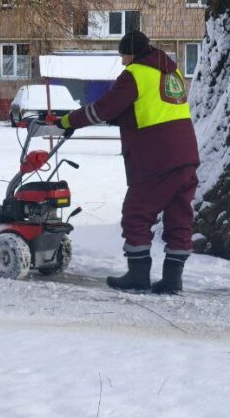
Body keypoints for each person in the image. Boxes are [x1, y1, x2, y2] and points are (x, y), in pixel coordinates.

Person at [58, 30, 199, 293]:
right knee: (179, 216)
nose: (123, 62)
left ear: (133, 53)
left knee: (136, 213)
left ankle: (138, 276)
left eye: (124, 56)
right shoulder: (172, 73)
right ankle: (172, 280)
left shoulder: (136, 73)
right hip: (186, 153)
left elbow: (103, 108)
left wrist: (67, 121)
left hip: (156, 155)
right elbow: (149, 108)